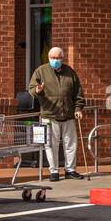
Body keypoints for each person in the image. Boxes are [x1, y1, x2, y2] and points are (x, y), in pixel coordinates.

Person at [29, 47, 85, 182]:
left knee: (71, 144)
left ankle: (70, 170)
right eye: (53, 58)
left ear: (62, 58)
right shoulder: (41, 71)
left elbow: (78, 93)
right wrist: (38, 89)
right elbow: (31, 89)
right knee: (51, 144)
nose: (56, 60)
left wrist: (78, 108)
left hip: (68, 114)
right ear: (49, 58)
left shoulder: (70, 72)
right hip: (49, 114)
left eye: (58, 58)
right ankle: (53, 171)